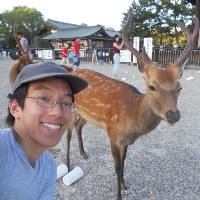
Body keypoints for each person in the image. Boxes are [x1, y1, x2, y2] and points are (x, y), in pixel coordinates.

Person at [0, 62, 88, 199]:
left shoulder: (49, 167)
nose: (58, 113)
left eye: (66, 103)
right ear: (15, 108)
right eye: (44, 98)